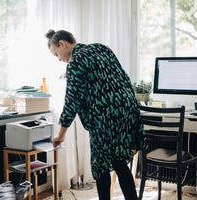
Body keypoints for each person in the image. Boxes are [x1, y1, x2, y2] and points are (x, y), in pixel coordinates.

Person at [45, 29, 144, 200]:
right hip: (127, 109)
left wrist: (61, 134)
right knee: (118, 161)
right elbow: (124, 77)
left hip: (105, 116)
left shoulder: (76, 61)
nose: (60, 59)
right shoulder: (101, 48)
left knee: (100, 166)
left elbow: (72, 101)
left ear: (62, 44)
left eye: (56, 54)